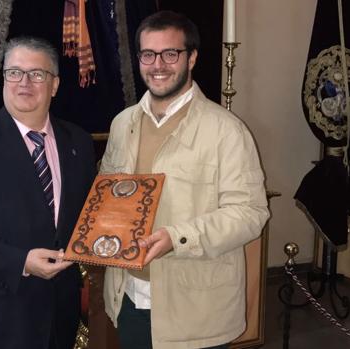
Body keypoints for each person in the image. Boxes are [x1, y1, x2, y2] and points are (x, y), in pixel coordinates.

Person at [100, 11, 270, 349]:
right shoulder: (122, 124)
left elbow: (251, 213)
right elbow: (107, 194)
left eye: (170, 53)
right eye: (148, 54)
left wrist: (177, 238)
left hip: (197, 312)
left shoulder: (227, 131)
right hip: (128, 299)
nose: (158, 64)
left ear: (191, 57)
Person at [0, 36, 97, 349]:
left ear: (55, 85)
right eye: (14, 72)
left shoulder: (78, 141)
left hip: (59, 315)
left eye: (37, 74)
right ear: (3, 78)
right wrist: (20, 261)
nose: (25, 83)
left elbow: (89, 216)